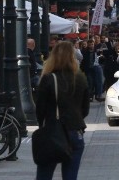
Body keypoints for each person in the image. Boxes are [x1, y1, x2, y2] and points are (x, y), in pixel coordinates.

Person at [35, 41, 90, 180]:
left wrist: (42, 125)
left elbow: (40, 108)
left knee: (44, 174)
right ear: (73, 57)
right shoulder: (80, 78)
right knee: (71, 176)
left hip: (53, 131)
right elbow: (85, 109)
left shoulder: (48, 79)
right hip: (75, 132)